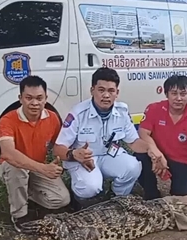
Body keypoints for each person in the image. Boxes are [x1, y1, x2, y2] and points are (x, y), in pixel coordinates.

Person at [53, 67, 149, 206]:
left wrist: (152, 150)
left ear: (117, 93)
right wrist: (73, 154)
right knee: (91, 187)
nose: (106, 95)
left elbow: (133, 142)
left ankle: (118, 198)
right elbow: (57, 149)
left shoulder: (122, 111)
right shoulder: (78, 113)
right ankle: (79, 200)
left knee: (133, 167)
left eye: (111, 91)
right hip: (84, 160)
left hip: (108, 156)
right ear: (92, 90)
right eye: (101, 90)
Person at [0, 75, 70, 229]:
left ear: (46, 99)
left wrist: (74, 154)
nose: (34, 103)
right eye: (29, 98)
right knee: (16, 168)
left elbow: (59, 146)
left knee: (62, 200)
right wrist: (44, 168)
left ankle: (22, 193)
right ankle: (19, 216)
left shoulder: (53, 118)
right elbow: (8, 153)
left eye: (39, 98)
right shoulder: (7, 120)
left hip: (36, 167)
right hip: (12, 166)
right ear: (20, 98)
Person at [135, 75, 187, 200]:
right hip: (158, 155)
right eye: (174, 93)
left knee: (186, 197)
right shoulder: (154, 109)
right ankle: (151, 193)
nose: (178, 98)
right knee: (139, 156)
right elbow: (143, 133)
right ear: (166, 94)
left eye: (183, 94)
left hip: (183, 162)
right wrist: (157, 155)